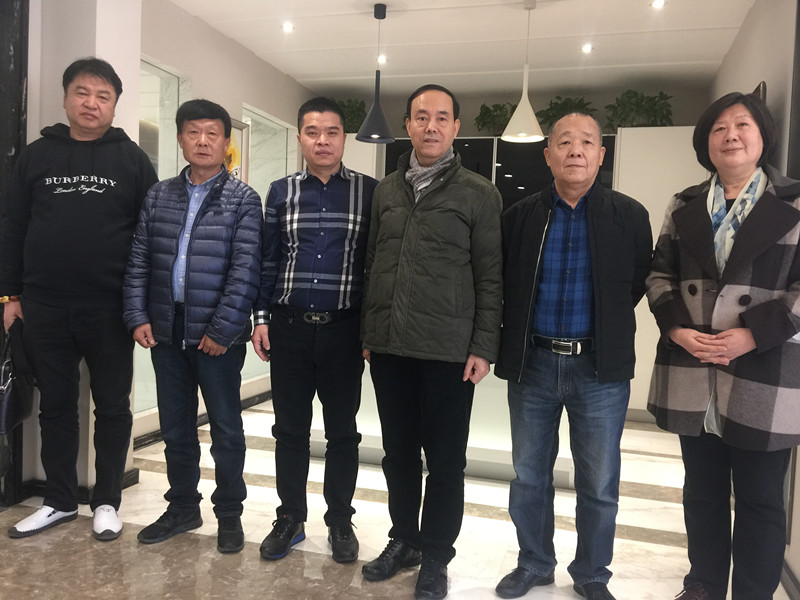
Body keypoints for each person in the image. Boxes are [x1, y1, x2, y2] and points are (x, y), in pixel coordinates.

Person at [647, 92, 800, 600]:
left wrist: (754, 333)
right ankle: (703, 584)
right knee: (702, 492)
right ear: (706, 142)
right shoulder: (684, 204)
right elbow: (659, 274)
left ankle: (753, 593)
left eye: (742, 124)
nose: (730, 135)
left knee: (760, 499)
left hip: (765, 370)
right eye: (718, 128)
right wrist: (676, 328)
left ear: (763, 136)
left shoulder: (794, 202)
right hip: (693, 368)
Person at [494, 112, 652, 600]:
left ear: (601, 155)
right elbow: (504, 284)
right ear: (548, 155)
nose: (575, 150)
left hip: (599, 369)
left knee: (599, 482)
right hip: (534, 364)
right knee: (529, 476)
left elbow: (635, 284)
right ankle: (534, 562)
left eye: (586, 142)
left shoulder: (629, 216)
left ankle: (591, 573)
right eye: (564, 142)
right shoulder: (519, 217)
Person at [0, 57, 158, 541]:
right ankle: (59, 501)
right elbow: (12, 226)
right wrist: (9, 295)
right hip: (44, 305)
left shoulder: (132, 161)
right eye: (83, 93)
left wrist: (142, 305)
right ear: (66, 97)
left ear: (115, 104)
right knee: (55, 406)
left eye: (103, 96)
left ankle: (107, 501)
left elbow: (150, 239)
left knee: (112, 407)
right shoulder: (36, 156)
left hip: (111, 308)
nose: (92, 103)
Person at [360, 84, 503, 600]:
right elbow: (374, 263)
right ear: (407, 124)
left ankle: (437, 555)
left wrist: (483, 345)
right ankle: (405, 539)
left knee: (445, 462)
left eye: (442, 117)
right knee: (397, 455)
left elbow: (491, 276)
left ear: (456, 127)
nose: (431, 126)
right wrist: (370, 332)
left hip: (448, 352)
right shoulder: (386, 191)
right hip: (390, 349)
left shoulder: (479, 193)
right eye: (421, 117)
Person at [123, 99, 262, 554]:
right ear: (181, 138)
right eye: (193, 132)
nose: (203, 141)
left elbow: (245, 271)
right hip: (166, 329)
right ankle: (183, 506)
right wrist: (138, 315)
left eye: (212, 133)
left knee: (226, 429)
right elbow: (139, 259)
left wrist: (222, 330)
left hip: (216, 336)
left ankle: (229, 513)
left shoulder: (243, 200)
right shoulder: (159, 195)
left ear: (226, 142)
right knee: (175, 429)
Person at [253, 97, 377, 563]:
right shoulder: (280, 192)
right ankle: (290, 518)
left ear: (344, 138)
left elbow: (376, 265)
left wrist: (372, 331)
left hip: (345, 332)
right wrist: (260, 319)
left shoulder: (370, 192)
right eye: (312, 132)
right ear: (300, 138)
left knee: (343, 433)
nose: (322, 140)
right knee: (290, 431)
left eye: (331, 132)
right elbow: (268, 260)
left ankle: (340, 519)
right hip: (289, 328)